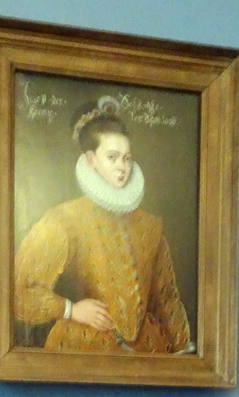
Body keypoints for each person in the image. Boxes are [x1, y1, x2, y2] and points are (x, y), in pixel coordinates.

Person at [14, 98, 193, 354]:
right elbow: (21, 290)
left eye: (127, 158)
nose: (122, 167)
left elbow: (166, 300)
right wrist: (72, 310)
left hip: (149, 352)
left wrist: (184, 356)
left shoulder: (150, 226)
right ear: (91, 160)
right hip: (84, 347)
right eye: (112, 157)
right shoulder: (64, 219)